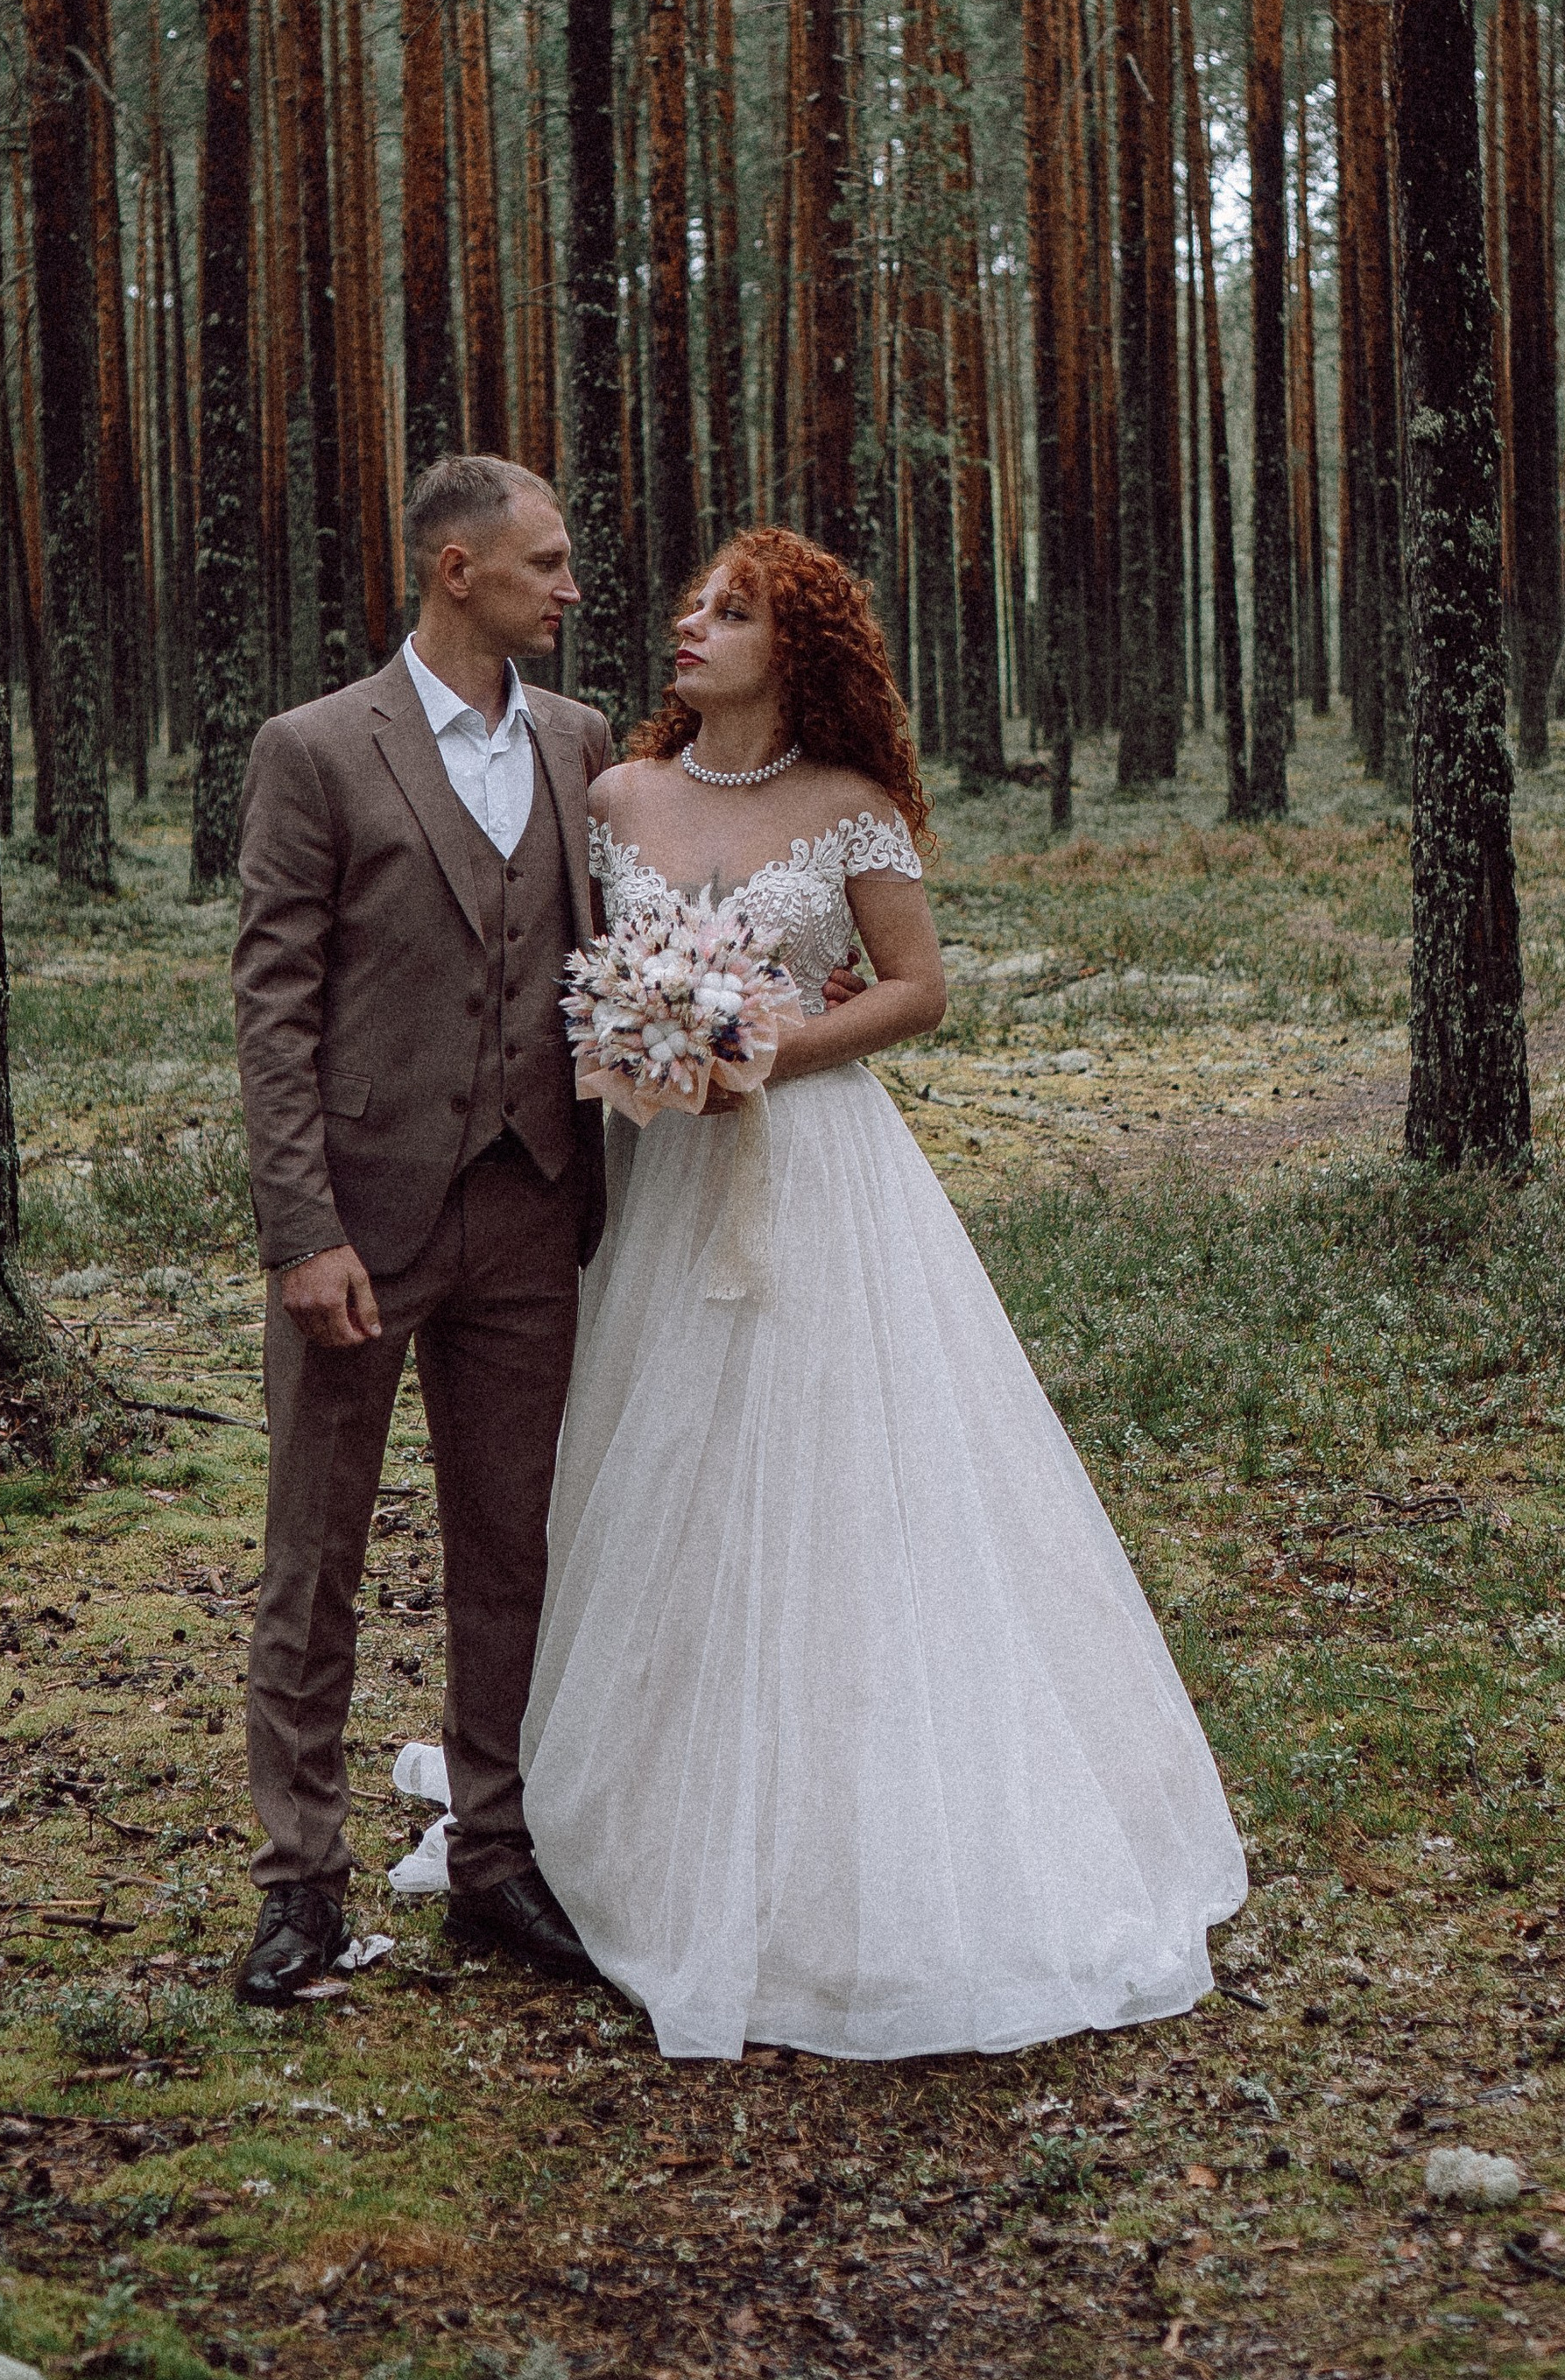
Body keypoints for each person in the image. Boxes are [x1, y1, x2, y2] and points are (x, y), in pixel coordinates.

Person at [520, 527, 1247, 2060]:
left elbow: (919, 987)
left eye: (736, 611)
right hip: (658, 1179)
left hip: (820, 1177)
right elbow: (581, 981)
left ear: (802, 648)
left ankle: (855, 1814)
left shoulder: (851, 813)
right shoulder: (613, 801)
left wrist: (777, 1049)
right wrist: (651, 1050)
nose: (693, 627)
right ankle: (647, 1796)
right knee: (664, 1472)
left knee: (845, 1474)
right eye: (692, 607)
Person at [228, 454, 615, 2008]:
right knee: (312, 1559)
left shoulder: (587, 745)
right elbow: (273, 1008)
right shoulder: (316, 750)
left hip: (534, 1213)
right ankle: (298, 1888)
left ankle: (496, 1857)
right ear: (458, 570)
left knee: (510, 1547)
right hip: (362, 1233)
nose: (573, 588)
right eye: (547, 563)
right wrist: (301, 1229)